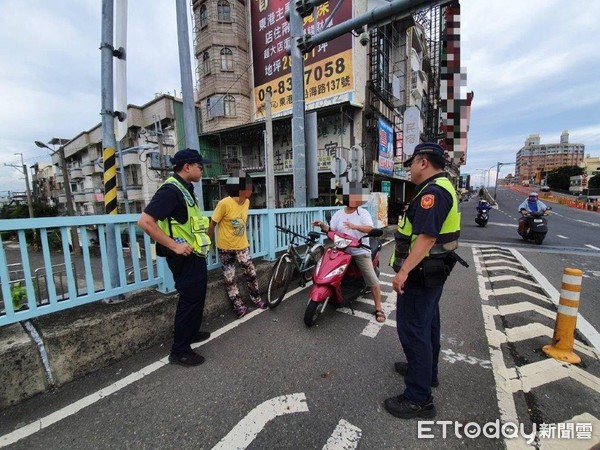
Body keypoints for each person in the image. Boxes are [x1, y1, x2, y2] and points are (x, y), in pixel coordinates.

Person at [386, 142, 461, 419]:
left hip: (420, 274)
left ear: (423, 163)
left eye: (411, 164)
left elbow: (427, 238)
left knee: (413, 330)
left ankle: (418, 398)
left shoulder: (433, 193)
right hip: (432, 273)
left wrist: (403, 271)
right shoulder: (443, 187)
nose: (408, 171)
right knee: (428, 324)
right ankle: (427, 373)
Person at [137, 149, 212, 367]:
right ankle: (179, 350)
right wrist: (174, 246)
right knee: (189, 299)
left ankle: (190, 333)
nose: (202, 169)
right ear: (187, 167)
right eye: (200, 166)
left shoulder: (186, 189)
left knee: (197, 296)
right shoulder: (171, 190)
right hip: (184, 256)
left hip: (195, 253)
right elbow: (145, 222)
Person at [312, 182, 385, 323]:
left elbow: (369, 229)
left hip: (359, 250)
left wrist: (355, 226)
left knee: (372, 280)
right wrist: (322, 225)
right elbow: (331, 230)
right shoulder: (338, 214)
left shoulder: (363, 213)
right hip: (341, 249)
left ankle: (378, 307)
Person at [208, 171, 266, 318]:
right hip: (225, 247)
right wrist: (207, 244)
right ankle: (238, 306)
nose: (251, 188)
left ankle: (256, 299)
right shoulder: (224, 203)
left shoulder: (246, 202)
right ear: (238, 188)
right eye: (248, 186)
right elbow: (212, 224)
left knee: (251, 274)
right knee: (230, 278)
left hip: (242, 246)